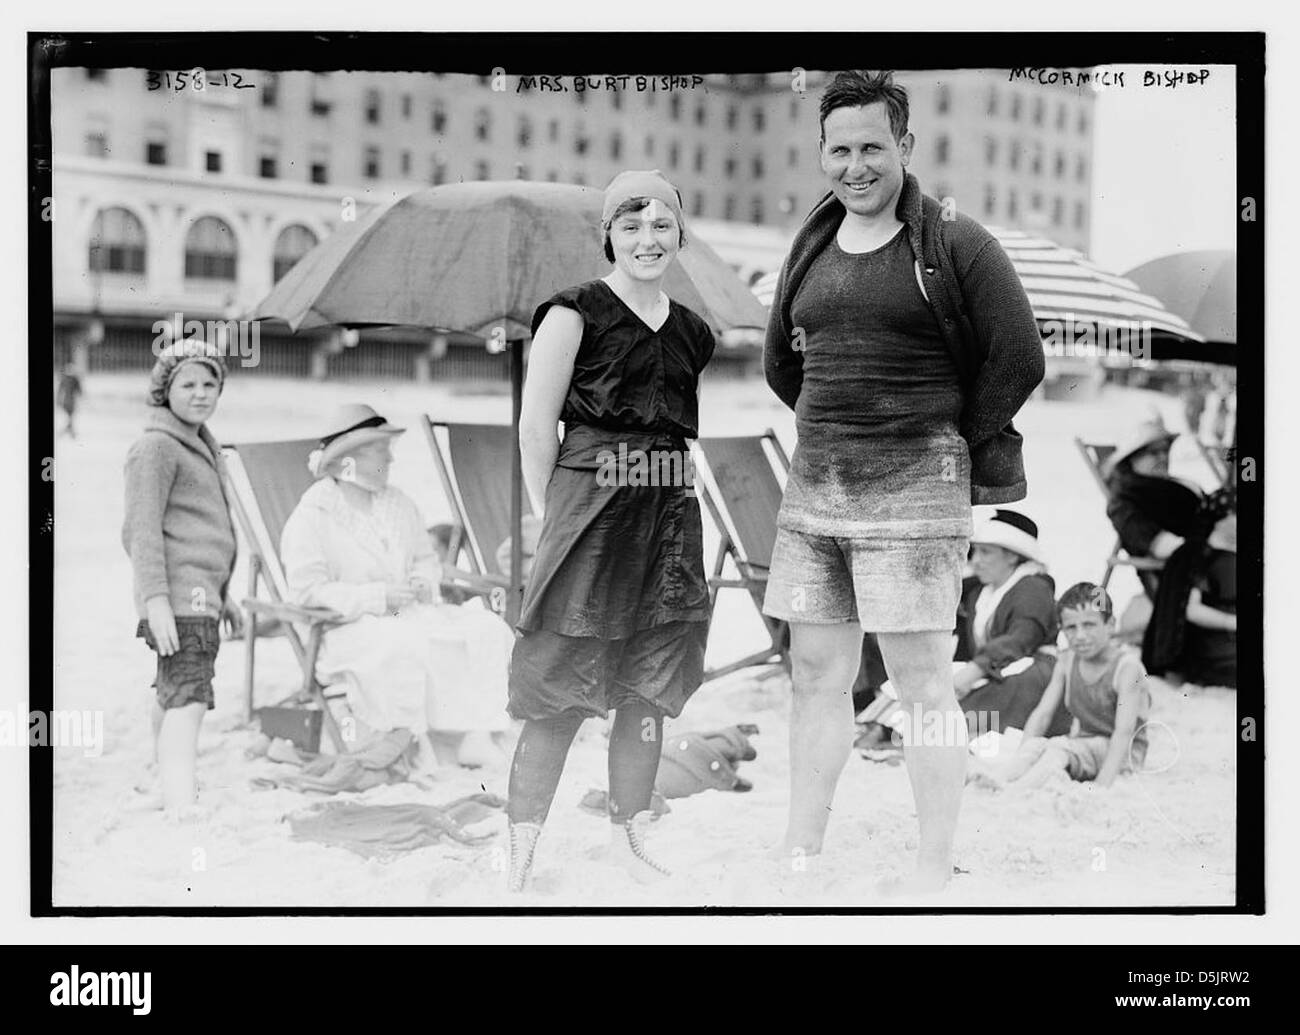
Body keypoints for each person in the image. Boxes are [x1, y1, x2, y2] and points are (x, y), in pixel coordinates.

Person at [761, 70, 1045, 892]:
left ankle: (930, 863)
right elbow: (784, 360)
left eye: (873, 148)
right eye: (840, 149)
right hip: (817, 490)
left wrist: (946, 439)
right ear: (822, 154)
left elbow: (1020, 357)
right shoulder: (810, 243)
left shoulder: (956, 240)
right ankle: (800, 850)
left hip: (919, 489)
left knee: (920, 682)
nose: (856, 165)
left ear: (906, 148)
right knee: (816, 673)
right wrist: (835, 421)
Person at [505, 169, 715, 890]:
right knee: (561, 680)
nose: (647, 239)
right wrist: (552, 518)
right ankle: (521, 848)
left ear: (680, 234)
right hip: (590, 512)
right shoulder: (572, 313)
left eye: (662, 225)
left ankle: (631, 836)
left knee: (649, 684)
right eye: (631, 226)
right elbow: (538, 428)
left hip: (667, 518)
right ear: (609, 235)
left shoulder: (693, 332)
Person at [279, 404, 514, 771]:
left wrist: (422, 581)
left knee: (487, 628)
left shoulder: (398, 503)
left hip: (412, 612)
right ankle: (412, 742)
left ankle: (476, 734)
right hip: (347, 627)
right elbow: (307, 592)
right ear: (348, 461)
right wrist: (376, 597)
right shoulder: (312, 516)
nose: (390, 458)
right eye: (380, 450)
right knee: (403, 644)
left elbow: (425, 558)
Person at [123, 339, 240, 819]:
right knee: (189, 699)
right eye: (187, 384)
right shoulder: (155, 447)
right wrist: (155, 600)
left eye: (210, 383)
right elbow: (141, 530)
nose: (200, 393)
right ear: (163, 391)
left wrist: (223, 596)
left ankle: (162, 780)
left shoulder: (199, 446)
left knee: (172, 691)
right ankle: (179, 798)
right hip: (176, 600)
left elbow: (208, 533)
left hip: (201, 597)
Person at [975, 583, 1150, 789]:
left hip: (1121, 754)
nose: (1080, 636)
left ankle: (1016, 790)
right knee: (1038, 745)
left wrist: (1102, 786)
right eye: (1071, 628)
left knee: (1058, 749)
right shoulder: (1067, 661)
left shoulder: (1127, 668)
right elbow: (1043, 714)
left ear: (1110, 624)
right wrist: (1025, 752)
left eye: (1089, 625)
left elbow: (1124, 732)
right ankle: (1001, 779)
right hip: (1082, 745)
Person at [57, 363, 83, 438]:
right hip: (69, 400)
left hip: (68, 400)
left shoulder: (67, 379)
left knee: (70, 416)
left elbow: (60, 390)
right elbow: (80, 391)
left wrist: (58, 399)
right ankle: (70, 430)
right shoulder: (74, 379)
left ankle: (69, 430)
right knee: (70, 416)